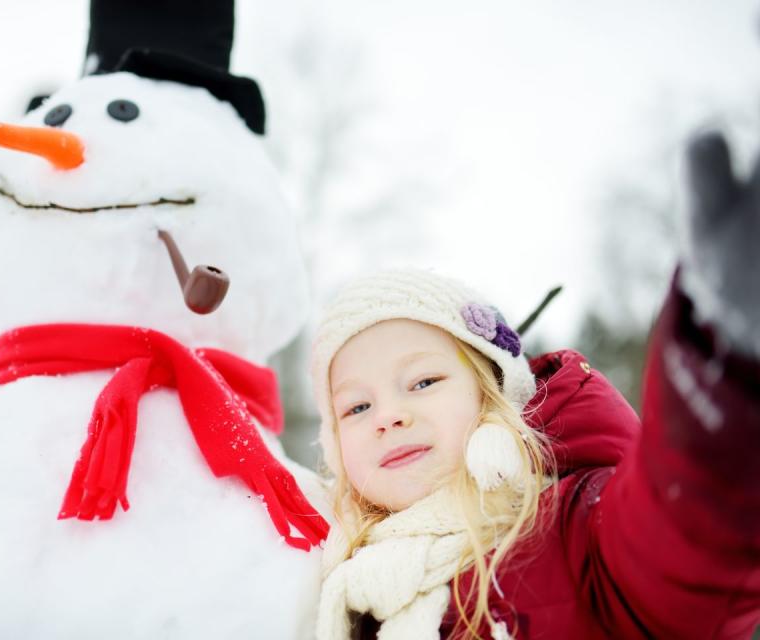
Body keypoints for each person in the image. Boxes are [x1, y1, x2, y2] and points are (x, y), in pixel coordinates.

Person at [309, 130, 760, 640]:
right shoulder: (333, 577)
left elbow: (685, 542)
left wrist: (723, 378)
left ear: (493, 396)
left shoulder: (570, 531)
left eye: (423, 381)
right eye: (357, 407)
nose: (388, 416)